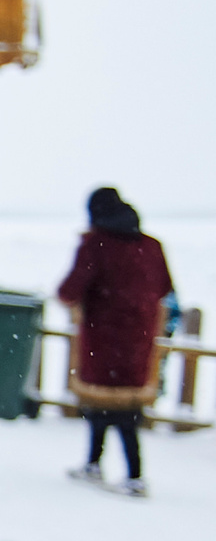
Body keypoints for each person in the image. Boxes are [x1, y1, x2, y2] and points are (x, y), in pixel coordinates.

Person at [58, 187, 174, 496]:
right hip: (139, 339)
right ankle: (101, 465)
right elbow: (165, 288)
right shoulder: (151, 247)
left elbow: (70, 289)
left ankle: (131, 475)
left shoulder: (96, 244)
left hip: (103, 338)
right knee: (124, 403)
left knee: (105, 402)